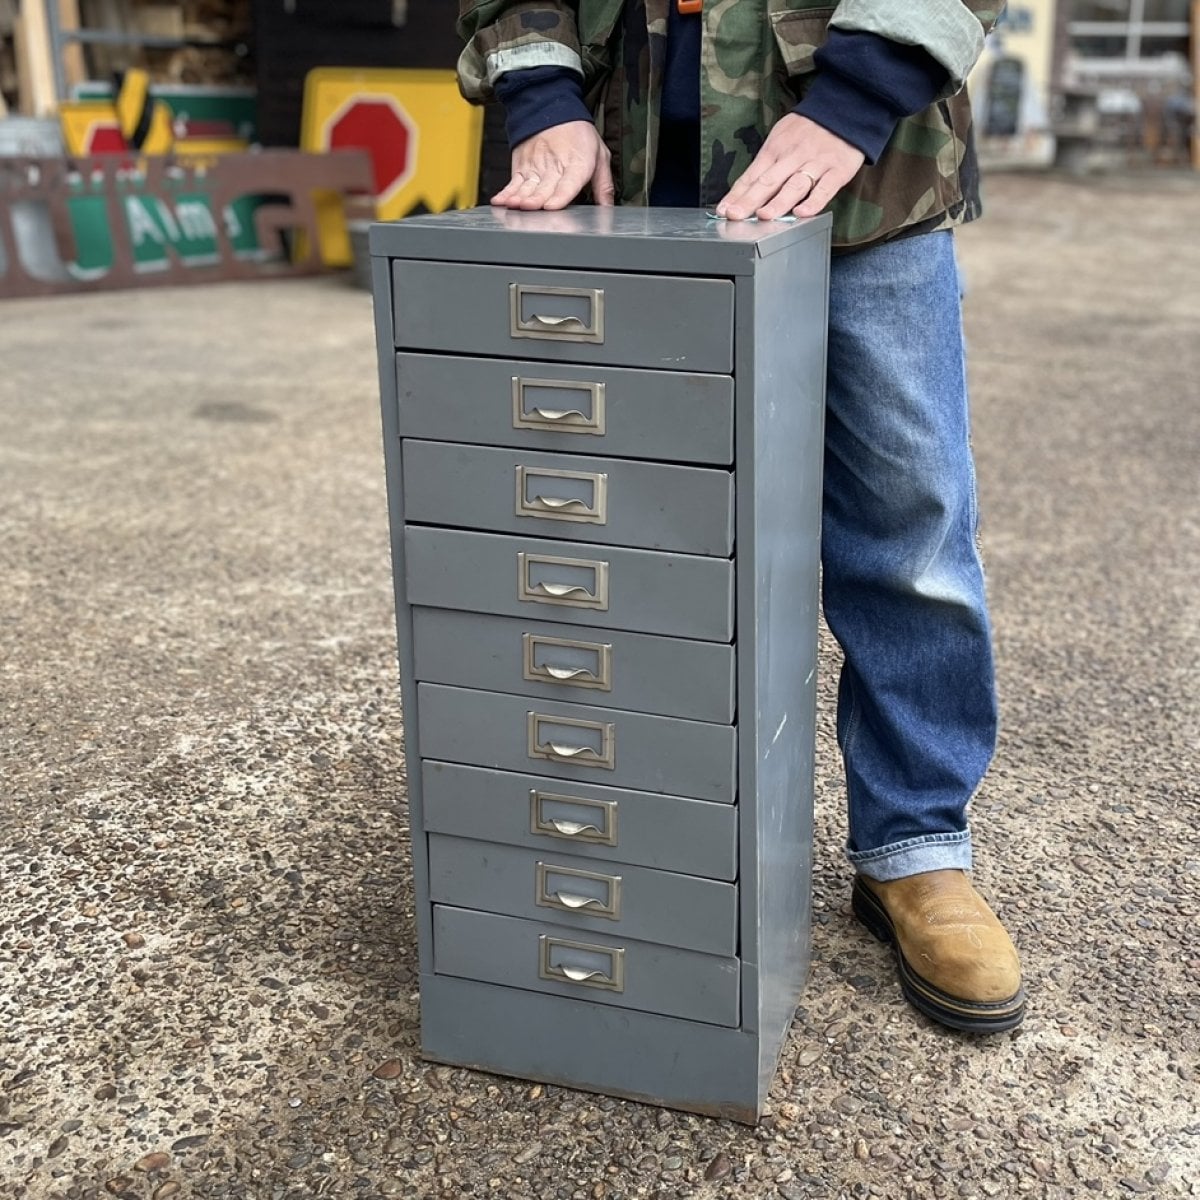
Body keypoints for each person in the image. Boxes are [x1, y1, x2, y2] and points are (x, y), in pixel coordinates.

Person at [456, 0, 1025, 1034]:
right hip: (618, 174)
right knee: (626, 542)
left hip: (864, 179)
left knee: (911, 528)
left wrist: (858, 96)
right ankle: (652, 830)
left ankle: (916, 852)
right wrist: (539, 94)